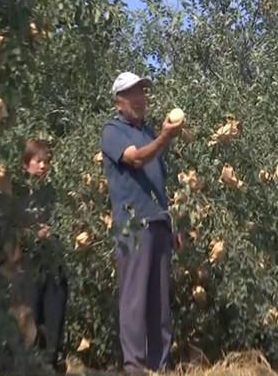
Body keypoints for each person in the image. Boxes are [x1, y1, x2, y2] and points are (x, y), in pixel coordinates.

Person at [99, 71, 184, 374]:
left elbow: (158, 183)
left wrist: (171, 222)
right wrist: (164, 137)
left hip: (158, 222)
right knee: (134, 299)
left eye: (143, 92)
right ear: (119, 101)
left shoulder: (148, 132)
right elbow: (134, 160)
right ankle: (134, 366)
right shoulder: (112, 130)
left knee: (159, 302)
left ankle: (159, 366)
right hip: (131, 224)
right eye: (134, 93)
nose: (141, 98)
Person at [11, 139, 68, 373]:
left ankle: (50, 361)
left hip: (53, 263)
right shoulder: (18, 195)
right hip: (28, 264)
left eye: (46, 162)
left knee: (54, 314)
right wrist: (32, 233)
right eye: (38, 161)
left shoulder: (54, 194)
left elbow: (66, 222)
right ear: (26, 165)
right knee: (30, 315)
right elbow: (10, 229)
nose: (43, 166)